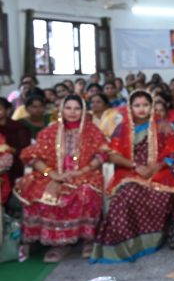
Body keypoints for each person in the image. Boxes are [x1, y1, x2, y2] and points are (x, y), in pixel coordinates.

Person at [91, 91, 174, 263]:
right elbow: (112, 155)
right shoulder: (122, 128)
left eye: (145, 105)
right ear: (130, 108)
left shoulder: (162, 126)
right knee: (126, 195)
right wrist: (135, 166)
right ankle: (126, 245)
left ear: (151, 107)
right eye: (137, 105)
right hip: (130, 171)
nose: (142, 109)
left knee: (161, 194)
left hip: (159, 171)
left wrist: (158, 165)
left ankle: (155, 239)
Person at [13, 95, 107, 262]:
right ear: (61, 110)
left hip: (84, 174)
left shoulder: (92, 131)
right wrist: (52, 174)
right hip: (53, 174)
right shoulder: (50, 131)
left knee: (86, 192)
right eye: (68, 108)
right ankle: (59, 244)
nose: (72, 112)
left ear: (83, 111)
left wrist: (82, 171)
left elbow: (103, 154)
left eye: (77, 108)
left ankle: (88, 240)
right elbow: (32, 157)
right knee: (41, 193)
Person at [0, 98, 31, 187]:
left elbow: (26, 150)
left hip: (15, 164)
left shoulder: (19, 127)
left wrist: (10, 149)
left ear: (7, 110)